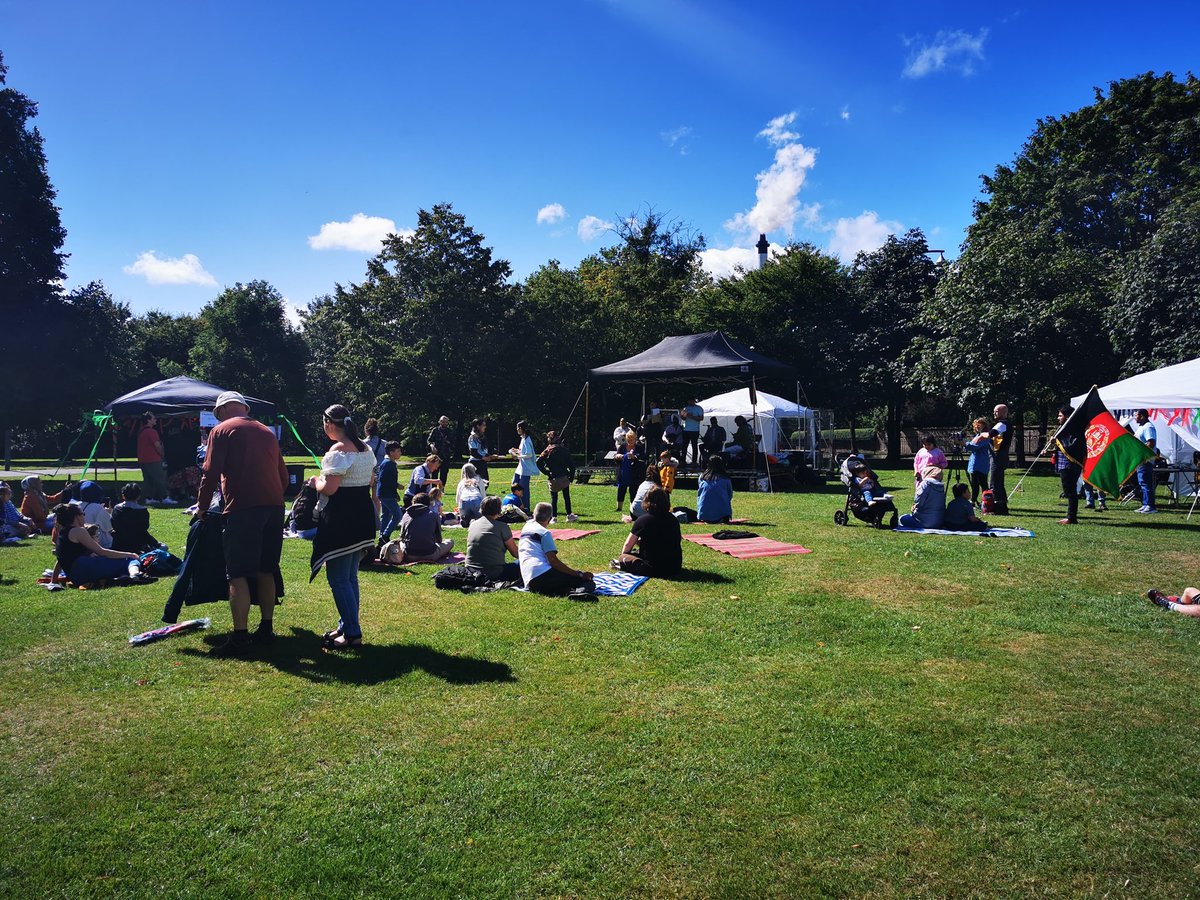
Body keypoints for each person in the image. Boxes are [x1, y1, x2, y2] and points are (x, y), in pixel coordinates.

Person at [197, 390, 290, 657]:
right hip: (274, 506)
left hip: (242, 508)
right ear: (245, 408)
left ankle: (240, 637)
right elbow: (282, 476)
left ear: (222, 411)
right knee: (266, 568)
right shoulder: (267, 431)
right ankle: (267, 628)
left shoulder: (222, 431)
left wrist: (202, 508)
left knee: (237, 573)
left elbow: (210, 472)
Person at [309, 404, 377, 652]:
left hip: (342, 519)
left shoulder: (338, 450)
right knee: (349, 577)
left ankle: (352, 633)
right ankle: (347, 624)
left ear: (329, 423)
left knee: (338, 577)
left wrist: (316, 481)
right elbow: (369, 480)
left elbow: (330, 489)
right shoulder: (366, 449)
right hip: (362, 516)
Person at [52, 503, 145, 584]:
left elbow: (60, 560)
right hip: (84, 569)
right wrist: (130, 554)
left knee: (118, 564)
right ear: (76, 517)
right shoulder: (79, 531)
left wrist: (53, 581)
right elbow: (101, 551)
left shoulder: (62, 532)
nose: (84, 516)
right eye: (82, 514)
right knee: (130, 560)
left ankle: (119, 578)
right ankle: (135, 576)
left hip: (74, 576)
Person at [519, 502, 595, 596]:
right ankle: (578, 593)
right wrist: (579, 574)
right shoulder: (544, 533)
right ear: (550, 519)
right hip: (541, 575)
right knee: (588, 582)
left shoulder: (527, 526)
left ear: (534, 515)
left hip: (529, 580)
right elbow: (554, 562)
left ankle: (567, 592)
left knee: (560, 582)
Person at [614, 486, 682, 578]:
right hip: (674, 566)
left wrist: (624, 556)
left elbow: (627, 545)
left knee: (624, 557)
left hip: (652, 568)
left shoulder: (643, 520)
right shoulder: (673, 520)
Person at [465, 496, 521, 583]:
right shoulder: (502, 527)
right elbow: (515, 553)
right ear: (498, 510)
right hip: (494, 573)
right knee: (523, 562)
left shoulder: (473, 524)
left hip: (470, 571)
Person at [1051, 404, 1085, 525]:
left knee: (1070, 491)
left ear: (1067, 417)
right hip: (1064, 464)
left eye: (1060, 416)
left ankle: (1071, 517)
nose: (1058, 418)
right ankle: (1071, 516)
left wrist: (1057, 441)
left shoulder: (1074, 429)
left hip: (1070, 464)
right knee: (1068, 490)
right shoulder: (1065, 428)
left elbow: (1072, 446)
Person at [397, 491, 454, 562]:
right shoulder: (434, 515)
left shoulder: (406, 515)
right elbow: (439, 538)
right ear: (428, 504)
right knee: (450, 542)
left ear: (413, 503)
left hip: (408, 555)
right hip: (429, 554)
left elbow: (402, 537)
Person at [538, 431, 578, 524]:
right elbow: (572, 465)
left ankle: (554, 517)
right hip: (564, 477)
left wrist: (547, 472)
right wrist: (571, 477)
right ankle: (569, 515)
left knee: (554, 498)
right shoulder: (564, 450)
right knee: (566, 497)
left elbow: (538, 462)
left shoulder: (547, 451)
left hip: (553, 478)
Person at [111, 483, 161, 553]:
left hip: (119, 544)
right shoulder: (142, 511)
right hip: (137, 545)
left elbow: (114, 525)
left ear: (123, 496)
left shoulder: (117, 509)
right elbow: (143, 529)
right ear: (138, 496)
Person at [136, 411, 170, 505]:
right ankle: (164, 497)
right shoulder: (152, 432)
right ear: (148, 420)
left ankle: (149, 498)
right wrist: (162, 455)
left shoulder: (141, 431)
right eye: (153, 418)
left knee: (148, 480)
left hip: (143, 460)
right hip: (153, 459)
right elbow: (157, 445)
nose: (155, 420)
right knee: (160, 479)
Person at [510, 420, 540, 513]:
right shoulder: (523, 438)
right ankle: (516, 505)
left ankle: (526, 508)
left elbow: (529, 454)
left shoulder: (527, 439)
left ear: (521, 428)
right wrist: (516, 450)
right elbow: (523, 451)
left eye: (518, 428)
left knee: (523, 489)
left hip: (526, 469)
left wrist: (518, 456)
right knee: (514, 484)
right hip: (521, 467)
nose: (517, 429)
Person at [988, 403, 1013, 515]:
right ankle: (1002, 507)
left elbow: (991, 434)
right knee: (999, 482)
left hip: (999, 457)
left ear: (1004, 413)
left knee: (994, 482)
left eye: (996, 411)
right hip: (1000, 456)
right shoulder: (1002, 424)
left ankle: (997, 507)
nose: (994, 413)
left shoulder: (1003, 424)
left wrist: (980, 436)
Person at [377, 440, 404, 542]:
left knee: (386, 515)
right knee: (398, 515)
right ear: (391, 452)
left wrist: (396, 485)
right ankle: (385, 534)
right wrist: (395, 491)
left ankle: (381, 538)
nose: (400, 453)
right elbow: (384, 480)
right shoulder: (388, 464)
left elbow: (388, 479)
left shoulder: (388, 463)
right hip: (387, 494)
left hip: (383, 493)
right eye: (398, 451)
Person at [1133, 408, 1158, 514]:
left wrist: (1143, 454)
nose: (1135, 417)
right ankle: (1145, 504)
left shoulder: (1148, 427)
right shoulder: (1141, 427)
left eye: (1136, 415)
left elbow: (1151, 442)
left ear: (1142, 416)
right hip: (1140, 459)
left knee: (1145, 482)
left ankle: (1150, 506)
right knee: (1142, 482)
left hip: (1145, 459)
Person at [697, 455, 734, 524]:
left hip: (704, 514)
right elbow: (730, 495)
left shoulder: (702, 477)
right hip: (722, 515)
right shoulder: (725, 478)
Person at [965, 418, 992, 505]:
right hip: (974, 464)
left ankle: (987, 501)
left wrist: (963, 443)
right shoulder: (977, 436)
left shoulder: (984, 436)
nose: (977, 427)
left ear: (984, 426)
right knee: (974, 484)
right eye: (976, 425)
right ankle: (973, 500)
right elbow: (970, 448)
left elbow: (974, 447)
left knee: (983, 484)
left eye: (979, 425)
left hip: (981, 464)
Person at [78, 480, 113, 549]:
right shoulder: (98, 508)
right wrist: (109, 513)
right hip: (101, 545)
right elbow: (109, 527)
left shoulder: (76, 505)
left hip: (80, 542)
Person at [615, 431, 642, 512]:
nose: (630, 441)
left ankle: (632, 508)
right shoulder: (622, 447)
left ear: (635, 439)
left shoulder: (639, 447)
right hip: (623, 472)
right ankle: (619, 508)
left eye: (632, 439)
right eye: (628, 439)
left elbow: (643, 458)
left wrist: (635, 457)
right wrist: (618, 456)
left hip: (634, 473)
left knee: (633, 490)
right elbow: (616, 457)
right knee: (621, 490)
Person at [427, 416, 455, 488]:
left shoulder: (450, 431)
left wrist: (448, 442)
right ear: (439, 422)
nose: (444, 423)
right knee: (434, 472)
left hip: (446, 455)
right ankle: (433, 488)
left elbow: (453, 443)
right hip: (436, 455)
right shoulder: (435, 430)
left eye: (446, 422)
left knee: (444, 473)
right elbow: (429, 440)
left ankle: (442, 488)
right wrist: (432, 446)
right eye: (442, 421)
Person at [681, 399, 704, 468]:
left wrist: (692, 416)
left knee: (694, 446)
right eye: (689, 401)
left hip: (695, 430)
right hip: (686, 430)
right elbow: (684, 418)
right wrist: (682, 415)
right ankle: (683, 461)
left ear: (694, 401)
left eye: (691, 401)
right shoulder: (686, 408)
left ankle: (694, 462)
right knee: (684, 446)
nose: (690, 402)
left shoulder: (699, 408)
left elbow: (701, 418)